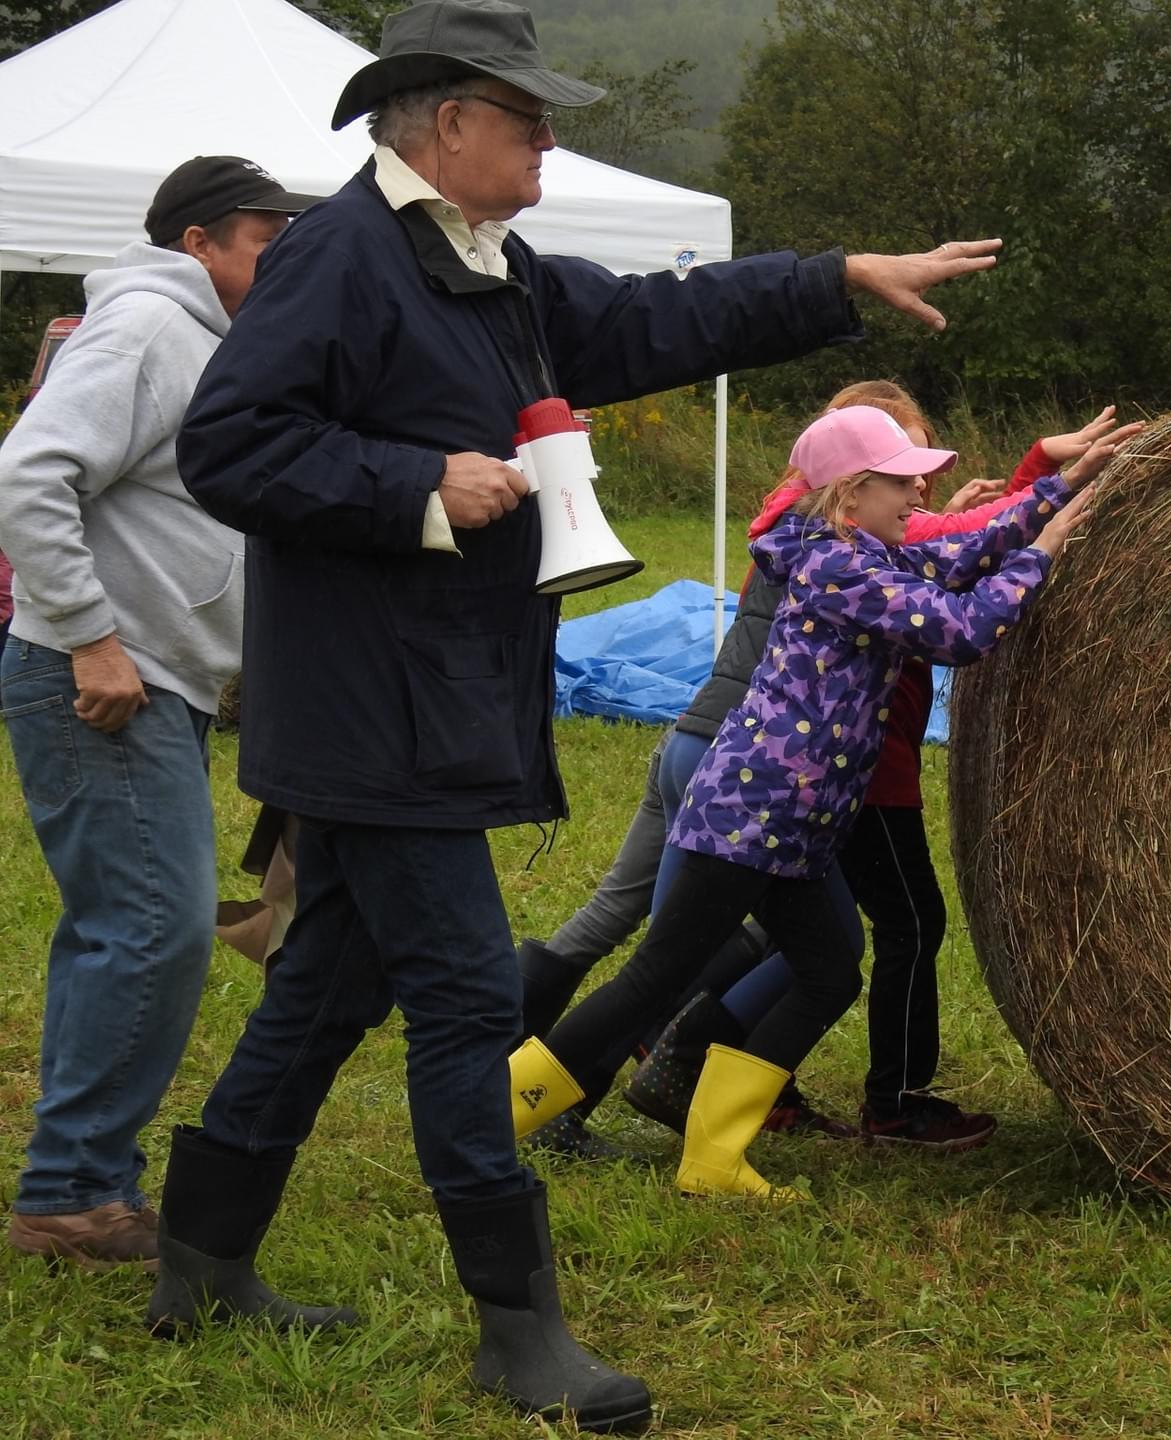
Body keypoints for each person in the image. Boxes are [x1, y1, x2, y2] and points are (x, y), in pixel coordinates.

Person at [152, 2, 1001, 1434]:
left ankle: (200, 1260)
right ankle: (517, 1327)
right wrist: (419, 485)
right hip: (374, 717)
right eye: (526, 112)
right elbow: (230, 442)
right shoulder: (341, 260)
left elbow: (652, 318)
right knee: (472, 1001)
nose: (550, 133)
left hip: (419, 709)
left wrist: (835, 277)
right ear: (443, 124)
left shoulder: (489, 264)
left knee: (325, 990)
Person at [506, 404, 1130, 1205]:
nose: (921, 492)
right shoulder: (841, 570)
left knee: (830, 970)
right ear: (849, 496)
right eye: (903, 481)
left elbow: (965, 553)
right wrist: (1042, 551)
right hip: (749, 815)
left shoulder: (870, 554)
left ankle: (714, 1154)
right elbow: (961, 629)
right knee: (657, 979)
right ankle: (496, 1117)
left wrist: (1059, 488)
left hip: (794, 824)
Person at [0, 157, 319, 1271]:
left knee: (125, 929)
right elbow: (28, 473)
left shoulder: (205, 340)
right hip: (101, 676)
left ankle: (77, 1184)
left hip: (149, 676)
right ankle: (74, 1198)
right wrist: (92, 636)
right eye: (268, 236)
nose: (284, 254)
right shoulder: (145, 327)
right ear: (199, 241)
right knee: (153, 928)